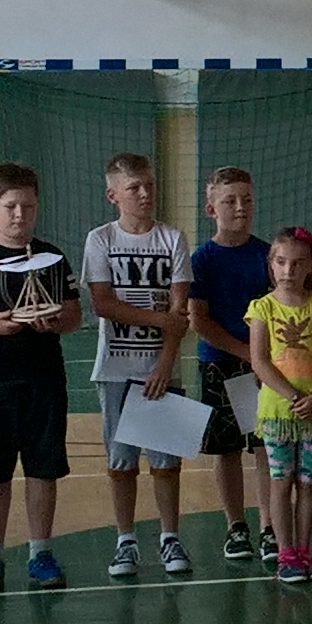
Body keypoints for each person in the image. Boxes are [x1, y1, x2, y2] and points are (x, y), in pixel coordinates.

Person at [0, 160, 82, 590]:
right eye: (10, 207)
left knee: (43, 468)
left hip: (44, 378)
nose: (19, 215)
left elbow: (74, 313)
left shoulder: (52, 256)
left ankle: (40, 551)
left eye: (28, 207)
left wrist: (55, 322)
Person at [79, 151, 191, 583]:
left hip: (161, 368)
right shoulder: (101, 239)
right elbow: (103, 304)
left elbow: (179, 312)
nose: (145, 194)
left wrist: (165, 364)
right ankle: (125, 539)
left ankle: (170, 537)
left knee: (166, 462)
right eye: (134, 188)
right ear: (113, 195)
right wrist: (159, 320)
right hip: (115, 369)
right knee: (121, 461)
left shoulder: (172, 239)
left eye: (149, 185)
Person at [246, 227, 312, 584]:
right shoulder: (262, 308)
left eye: (298, 263)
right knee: (281, 481)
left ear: (310, 265)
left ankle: (304, 550)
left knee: (308, 483)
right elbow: (260, 361)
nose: (289, 271)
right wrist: (292, 396)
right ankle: (285, 552)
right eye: (282, 262)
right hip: (278, 413)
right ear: (271, 264)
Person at [188, 167, 269, 562]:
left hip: (265, 368)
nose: (240, 208)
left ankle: (270, 526)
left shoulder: (268, 255)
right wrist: (243, 351)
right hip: (221, 363)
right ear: (211, 209)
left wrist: (263, 359)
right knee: (228, 449)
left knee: (266, 445)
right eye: (230, 201)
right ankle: (236, 527)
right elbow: (198, 319)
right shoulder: (202, 260)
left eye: (247, 200)